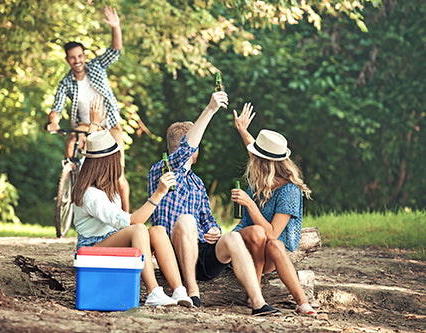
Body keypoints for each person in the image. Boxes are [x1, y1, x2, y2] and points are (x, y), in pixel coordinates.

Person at [148, 92, 280, 315]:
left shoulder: (197, 183)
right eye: (196, 144)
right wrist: (210, 109)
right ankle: (192, 292)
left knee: (232, 237)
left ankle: (258, 302)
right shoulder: (161, 170)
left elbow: (207, 218)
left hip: (201, 252)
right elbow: (186, 151)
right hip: (174, 254)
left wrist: (214, 229)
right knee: (187, 220)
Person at [71, 129, 192, 307]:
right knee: (139, 229)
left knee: (158, 231)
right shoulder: (92, 195)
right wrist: (158, 194)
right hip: (91, 248)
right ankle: (153, 292)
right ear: (106, 163)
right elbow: (134, 221)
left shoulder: (106, 188)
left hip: (109, 241)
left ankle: (179, 290)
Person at [230, 102, 317, 315]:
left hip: (270, 251)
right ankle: (256, 293)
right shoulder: (261, 179)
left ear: (264, 163)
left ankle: (302, 303)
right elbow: (257, 152)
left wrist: (249, 203)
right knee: (257, 232)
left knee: (274, 244)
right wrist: (243, 131)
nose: (252, 160)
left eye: (256, 158)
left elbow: (272, 234)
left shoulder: (289, 191)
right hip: (245, 244)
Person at [46, 5, 130, 212]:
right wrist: (53, 121)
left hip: (109, 125)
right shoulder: (66, 82)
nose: (78, 61)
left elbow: (115, 51)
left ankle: (127, 217)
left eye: (80, 56)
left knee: (118, 176)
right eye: (73, 58)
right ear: (67, 60)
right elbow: (56, 106)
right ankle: (72, 173)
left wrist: (115, 27)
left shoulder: (97, 67)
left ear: (84, 55)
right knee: (71, 142)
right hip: (85, 125)